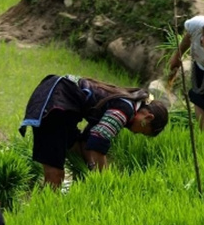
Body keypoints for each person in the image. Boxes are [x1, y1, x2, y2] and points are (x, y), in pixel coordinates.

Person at [19, 74, 169, 189]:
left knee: (79, 152)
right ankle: (47, 215)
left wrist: (92, 167)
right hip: (56, 106)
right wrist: (105, 180)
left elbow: (88, 140)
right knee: (56, 175)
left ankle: (75, 195)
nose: (136, 133)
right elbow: (99, 138)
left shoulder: (125, 102)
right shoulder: (125, 109)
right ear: (148, 117)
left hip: (58, 100)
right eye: (143, 131)